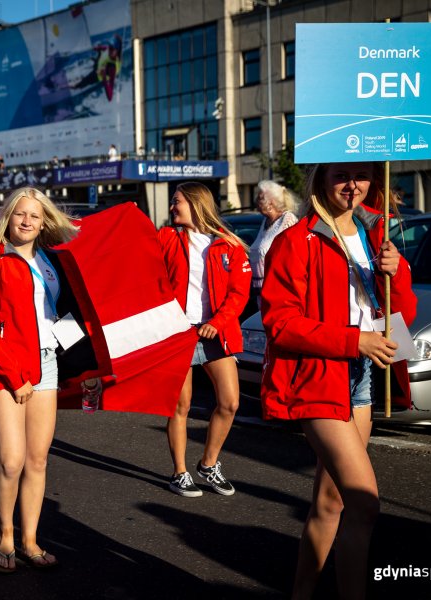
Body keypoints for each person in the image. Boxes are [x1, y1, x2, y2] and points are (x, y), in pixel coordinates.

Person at [260, 162, 416, 600]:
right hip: (319, 378)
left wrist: (397, 271)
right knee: (364, 502)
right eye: (341, 175)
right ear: (321, 180)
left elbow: (400, 315)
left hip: (362, 378)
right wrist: (355, 341)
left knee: (332, 503)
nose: (353, 185)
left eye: (362, 175)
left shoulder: (375, 235)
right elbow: (280, 322)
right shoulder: (295, 240)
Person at [0, 187, 78, 573]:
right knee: (11, 461)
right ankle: (5, 534)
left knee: (37, 460)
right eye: (20, 214)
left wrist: (84, 369)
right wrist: (15, 377)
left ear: (44, 221)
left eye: (34, 215)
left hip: (47, 364)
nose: (27, 221)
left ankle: (30, 540)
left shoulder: (52, 263)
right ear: (7, 219)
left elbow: (62, 317)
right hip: (5, 370)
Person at [157, 182, 251, 497]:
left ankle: (208, 464)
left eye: (177, 201)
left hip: (216, 332)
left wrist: (218, 322)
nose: (172, 207)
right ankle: (179, 473)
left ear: (196, 203)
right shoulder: (166, 238)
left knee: (230, 402)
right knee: (180, 405)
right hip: (178, 333)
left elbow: (240, 294)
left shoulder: (229, 245)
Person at [248, 180, 300, 312]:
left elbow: (291, 256)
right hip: (258, 292)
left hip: (276, 292)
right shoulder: (266, 222)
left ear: (270, 202)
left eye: (260, 198)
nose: (256, 201)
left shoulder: (288, 220)